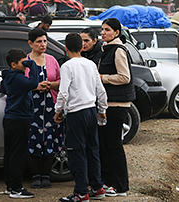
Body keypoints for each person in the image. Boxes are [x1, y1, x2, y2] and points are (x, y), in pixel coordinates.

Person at [54, 33, 108, 202]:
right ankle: (97, 187)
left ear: (66, 48)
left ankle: (81, 192)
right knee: (92, 149)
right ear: (82, 47)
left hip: (76, 113)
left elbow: (63, 92)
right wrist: (102, 109)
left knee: (77, 152)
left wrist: (58, 110)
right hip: (91, 110)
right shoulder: (91, 64)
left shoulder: (67, 66)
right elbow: (100, 89)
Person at [98, 18, 133, 197]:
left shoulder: (118, 50)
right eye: (102, 29)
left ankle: (120, 186)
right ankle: (109, 182)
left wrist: (102, 78)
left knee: (114, 145)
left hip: (117, 105)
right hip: (108, 104)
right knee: (106, 145)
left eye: (107, 30)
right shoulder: (107, 49)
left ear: (116, 33)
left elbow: (124, 77)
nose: (103, 32)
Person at [26, 28, 62, 189]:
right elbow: (20, 83)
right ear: (30, 43)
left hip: (51, 107)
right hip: (32, 109)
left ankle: (46, 175)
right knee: (32, 139)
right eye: (39, 41)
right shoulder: (25, 61)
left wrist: (52, 85)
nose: (43, 44)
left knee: (50, 139)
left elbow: (62, 80)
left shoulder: (52, 60)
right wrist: (35, 87)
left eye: (45, 41)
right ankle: (35, 175)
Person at [1, 48, 40, 199]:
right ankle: (16, 188)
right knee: (18, 155)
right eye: (22, 62)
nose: (25, 65)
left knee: (10, 153)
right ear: (13, 64)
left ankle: (10, 185)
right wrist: (33, 66)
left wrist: (26, 65)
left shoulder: (9, 77)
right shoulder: (17, 78)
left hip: (10, 118)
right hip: (19, 119)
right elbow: (34, 83)